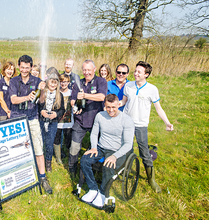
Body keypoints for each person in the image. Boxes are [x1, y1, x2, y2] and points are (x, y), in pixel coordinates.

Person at [120, 61, 174, 193]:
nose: (135, 73)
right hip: (126, 122)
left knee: (144, 151)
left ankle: (151, 180)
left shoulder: (152, 89)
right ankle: (126, 170)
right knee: (126, 148)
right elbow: (124, 102)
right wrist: (114, 107)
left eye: (139, 72)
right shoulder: (128, 85)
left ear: (146, 74)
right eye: (135, 71)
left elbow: (158, 109)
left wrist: (167, 122)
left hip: (141, 125)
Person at [80, 94, 135, 208]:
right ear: (105, 105)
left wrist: (115, 156)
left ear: (118, 105)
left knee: (108, 166)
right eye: (108, 107)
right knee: (84, 160)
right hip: (100, 147)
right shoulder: (100, 116)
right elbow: (94, 133)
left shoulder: (127, 120)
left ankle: (103, 193)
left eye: (113, 107)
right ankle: (93, 188)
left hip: (116, 150)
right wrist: (94, 147)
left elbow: (128, 144)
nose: (111, 110)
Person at [9, 55, 52, 194]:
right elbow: (13, 100)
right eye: (22, 67)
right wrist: (27, 97)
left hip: (33, 118)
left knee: (38, 149)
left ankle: (42, 177)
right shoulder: (14, 81)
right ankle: (19, 178)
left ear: (31, 67)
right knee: (18, 149)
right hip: (17, 119)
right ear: (19, 66)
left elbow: (41, 102)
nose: (24, 70)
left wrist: (43, 91)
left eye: (27, 67)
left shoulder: (37, 80)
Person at [69, 60, 107, 178]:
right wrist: (75, 106)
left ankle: (93, 169)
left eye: (89, 70)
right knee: (74, 146)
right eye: (84, 70)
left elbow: (102, 97)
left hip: (96, 121)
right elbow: (72, 100)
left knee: (95, 147)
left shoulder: (101, 81)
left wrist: (85, 95)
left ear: (94, 69)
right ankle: (72, 168)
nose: (86, 72)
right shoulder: (78, 83)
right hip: (80, 121)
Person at [38, 68, 65, 172]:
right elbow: (37, 105)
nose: (53, 85)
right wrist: (41, 112)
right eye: (51, 82)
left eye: (55, 83)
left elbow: (62, 110)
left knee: (49, 143)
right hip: (41, 121)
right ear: (47, 82)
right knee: (41, 142)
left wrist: (56, 114)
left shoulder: (60, 95)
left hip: (52, 123)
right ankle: (40, 161)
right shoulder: (42, 92)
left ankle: (48, 162)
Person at [53, 74, 74, 164]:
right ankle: (58, 157)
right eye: (61, 81)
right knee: (57, 138)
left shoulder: (72, 93)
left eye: (65, 82)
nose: (63, 83)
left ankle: (69, 156)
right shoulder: (56, 92)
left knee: (68, 139)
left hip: (69, 121)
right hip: (58, 121)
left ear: (68, 82)